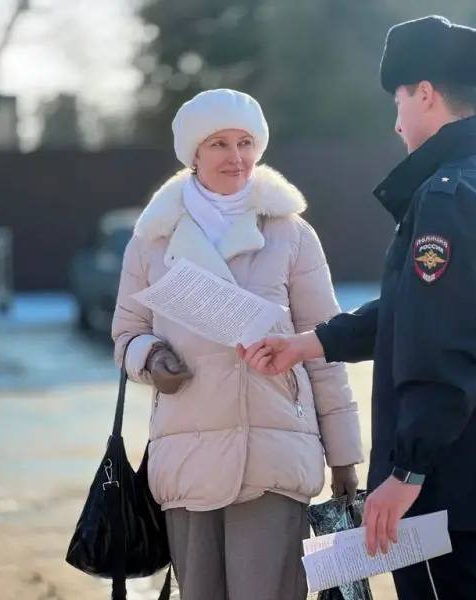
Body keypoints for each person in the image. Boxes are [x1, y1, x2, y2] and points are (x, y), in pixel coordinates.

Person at [239, 16, 476, 600]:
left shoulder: (448, 197)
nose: (396, 122)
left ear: (426, 94)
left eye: (400, 100)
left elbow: (446, 351)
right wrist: (313, 342)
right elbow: (426, 310)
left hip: (443, 484)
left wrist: (407, 473)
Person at [111, 88, 364, 600]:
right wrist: (151, 358)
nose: (236, 156)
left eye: (246, 142)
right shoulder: (152, 240)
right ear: (194, 154)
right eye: (220, 143)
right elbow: (125, 334)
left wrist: (344, 456)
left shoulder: (291, 234)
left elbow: (325, 348)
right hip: (188, 457)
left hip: (273, 453)